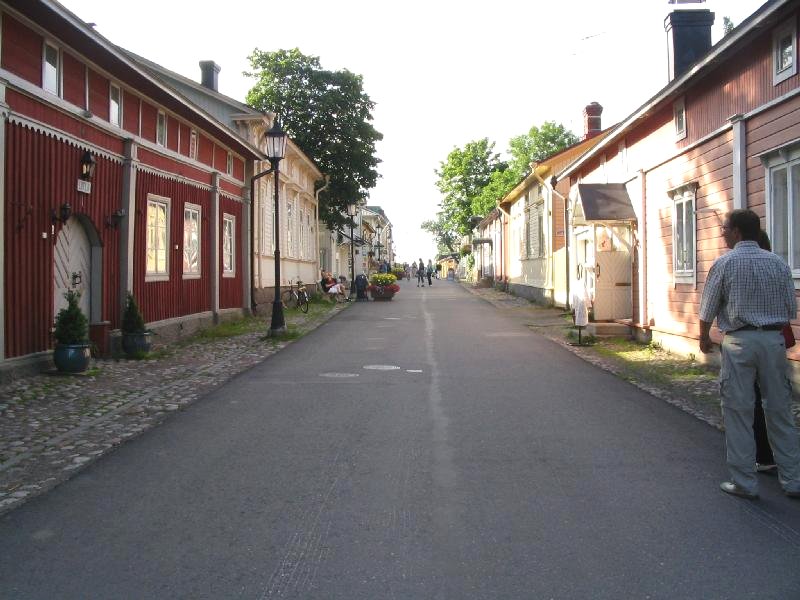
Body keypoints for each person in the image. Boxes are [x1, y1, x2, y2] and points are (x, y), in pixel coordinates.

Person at [699, 209, 800, 499]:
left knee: (738, 410)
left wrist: (704, 337)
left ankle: (744, 482)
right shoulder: (778, 263)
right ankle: (793, 480)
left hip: (739, 342)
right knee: (780, 409)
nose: (722, 233)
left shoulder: (724, 263)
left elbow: (708, 308)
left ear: (737, 232)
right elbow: (789, 310)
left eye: (724, 228)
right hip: (773, 340)